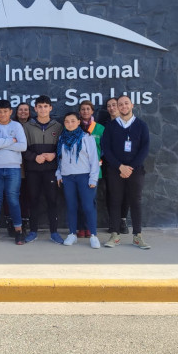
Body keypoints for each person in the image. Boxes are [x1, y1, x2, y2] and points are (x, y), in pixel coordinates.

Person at [101, 95, 151, 249]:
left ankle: (138, 236)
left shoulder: (141, 125)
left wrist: (131, 168)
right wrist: (120, 167)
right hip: (115, 170)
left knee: (135, 202)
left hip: (135, 171)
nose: (123, 106)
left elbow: (145, 148)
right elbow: (106, 148)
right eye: (120, 104)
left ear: (132, 105)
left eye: (126, 103)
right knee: (115, 201)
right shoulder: (110, 126)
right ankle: (115, 236)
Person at [0, 100, 27, 245]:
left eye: (5, 111)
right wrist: (11, 140)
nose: (2, 114)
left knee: (13, 200)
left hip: (13, 167)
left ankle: (18, 231)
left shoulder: (17, 126)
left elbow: (23, 146)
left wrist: (2, 144)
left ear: (10, 112)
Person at [22, 95, 64, 244]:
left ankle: (54, 232)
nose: (43, 109)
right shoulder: (27, 127)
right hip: (33, 170)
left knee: (52, 201)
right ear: (35, 109)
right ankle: (33, 231)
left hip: (51, 170)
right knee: (33, 201)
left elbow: (63, 148)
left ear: (51, 108)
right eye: (40, 106)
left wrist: (54, 154)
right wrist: (34, 157)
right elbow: (22, 149)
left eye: (46, 106)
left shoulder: (58, 126)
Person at [56, 112, 101, 249]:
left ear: (78, 122)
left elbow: (94, 159)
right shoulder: (61, 138)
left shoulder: (87, 137)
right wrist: (59, 174)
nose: (70, 124)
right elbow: (60, 159)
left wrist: (93, 178)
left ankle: (93, 235)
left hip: (84, 176)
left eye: (73, 121)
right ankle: (72, 234)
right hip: (68, 177)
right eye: (67, 121)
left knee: (88, 206)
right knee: (71, 207)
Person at [76, 100, 105, 239]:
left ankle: (89, 227)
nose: (85, 111)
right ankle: (81, 227)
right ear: (79, 112)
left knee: (91, 201)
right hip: (78, 170)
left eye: (88, 109)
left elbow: (105, 149)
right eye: (83, 109)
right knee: (80, 200)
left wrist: (100, 160)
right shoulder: (75, 127)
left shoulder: (100, 128)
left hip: (94, 170)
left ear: (92, 111)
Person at [103, 97, 129, 234]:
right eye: (109, 106)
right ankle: (114, 223)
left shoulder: (129, 123)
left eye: (114, 105)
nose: (111, 108)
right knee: (111, 194)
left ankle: (123, 221)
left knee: (126, 193)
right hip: (110, 164)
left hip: (127, 165)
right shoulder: (105, 124)